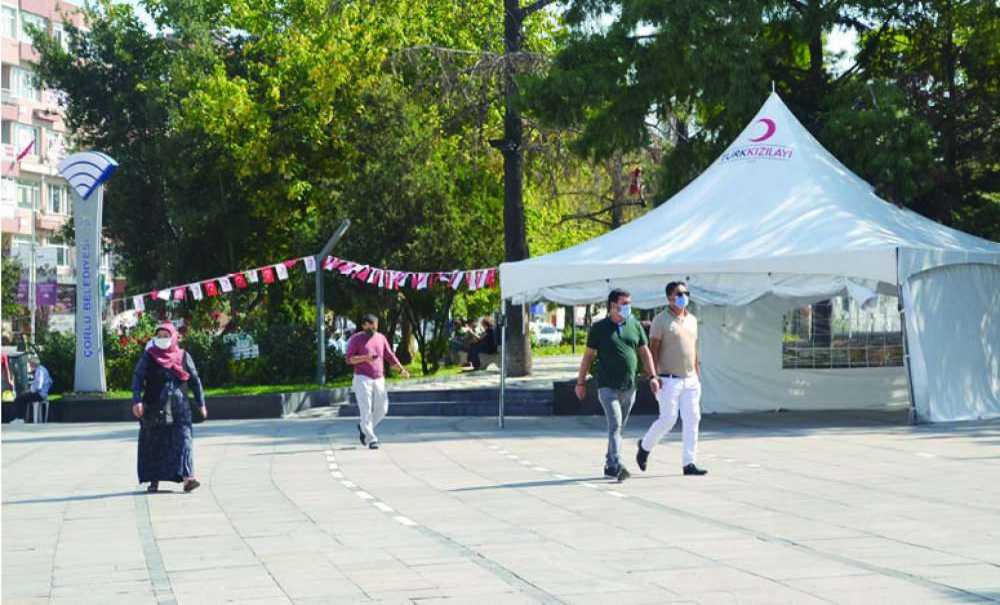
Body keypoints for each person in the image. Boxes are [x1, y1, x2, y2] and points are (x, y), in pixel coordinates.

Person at [575, 289, 660, 481]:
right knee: (615, 425)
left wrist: (652, 376)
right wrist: (580, 382)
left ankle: (609, 463)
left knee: (619, 428)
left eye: (630, 302)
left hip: (630, 386)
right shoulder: (599, 328)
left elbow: (645, 352)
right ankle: (616, 465)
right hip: (607, 387)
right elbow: (588, 356)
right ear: (613, 305)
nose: (628, 306)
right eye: (625, 303)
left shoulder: (634, 325)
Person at [636, 281, 708, 476]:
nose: (684, 296)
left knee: (693, 419)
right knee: (668, 419)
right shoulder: (661, 320)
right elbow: (653, 350)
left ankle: (689, 463)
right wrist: (653, 375)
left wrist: (697, 374)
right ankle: (644, 447)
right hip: (668, 379)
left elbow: (694, 349)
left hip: (691, 379)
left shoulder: (692, 319)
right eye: (679, 293)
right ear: (669, 297)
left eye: (686, 293)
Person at [131, 323, 207, 493]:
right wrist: (137, 400)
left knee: (185, 439)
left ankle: (189, 478)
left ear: (173, 337)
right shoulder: (149, 356)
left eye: (166, 335)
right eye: (160, 336)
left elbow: (195, 380)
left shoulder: (183, 356)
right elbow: (137, 377)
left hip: (181, 408)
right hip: (153, 406)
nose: (163, 339)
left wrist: (201, 403)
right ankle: (154, 479)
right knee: (154, 442)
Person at [346, 314, 410, 449]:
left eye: (375, 326)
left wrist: (401, 370)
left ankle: (363, 427)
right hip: (362, 378)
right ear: (364, 326)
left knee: (382, 409)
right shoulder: (356, 339)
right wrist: (365, 358)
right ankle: (371, 439)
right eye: (371, 326)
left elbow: (390, 356)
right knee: (366, 409)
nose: (374, 329)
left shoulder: (381, 338)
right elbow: (349, 359)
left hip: (379, 378)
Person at [10, 356, 52, 424]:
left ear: (33, 364)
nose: (29, 366)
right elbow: (50, 381)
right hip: (43, 394)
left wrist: (30, 390)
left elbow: (38, 387)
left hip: (39, 395)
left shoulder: (39, 371)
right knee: (24, 396)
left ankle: (20, 418)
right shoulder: (43, 369)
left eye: (30, 364)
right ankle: (22, 418)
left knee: (19, 398)